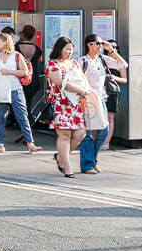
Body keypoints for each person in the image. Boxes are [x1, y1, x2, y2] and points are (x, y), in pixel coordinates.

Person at [45, 36, 92, 178]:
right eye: (67, 49)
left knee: (80, 133)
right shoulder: (53, 64)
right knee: (64, 135)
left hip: (76, 104)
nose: (70, 52)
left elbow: (82, 78)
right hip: (61, 104)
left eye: (71, 49)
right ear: (59, 49)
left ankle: (60, 157)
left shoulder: (74, 63)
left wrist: (85, 90)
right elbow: (60, 83)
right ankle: (66, 166)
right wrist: (80, 90)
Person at [0, 32, 42, 153]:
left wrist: (10, 72)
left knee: (22, 116)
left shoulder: (17, 56)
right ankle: (0, 143)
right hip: (1, 90)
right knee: (0, 117)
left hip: (15, 89)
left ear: (5, 43)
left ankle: (30, 143)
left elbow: (24, 72)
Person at [78, 34, 111, 174]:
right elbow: (76, 79)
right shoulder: (82, 61)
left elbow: (123, 64)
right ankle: (87, 165)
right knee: (88, 133)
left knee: (105, 130)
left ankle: (93, 159)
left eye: (100, 44)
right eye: (97, 43)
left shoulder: (102, 59)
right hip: (87, 99)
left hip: (101, 98)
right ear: (89, 45)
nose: (100, 46)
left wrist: (111, 50)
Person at [101, 39, 128, 151]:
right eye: (111, 46)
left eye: (115, 47)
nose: (113, 48)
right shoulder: (102, 60)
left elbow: (124, 79)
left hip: (112, 92)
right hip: (100, 91)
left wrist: (112, 77)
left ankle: (106, 143)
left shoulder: (119, 63)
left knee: (110, 118)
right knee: (99, 117)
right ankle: (97, 141)